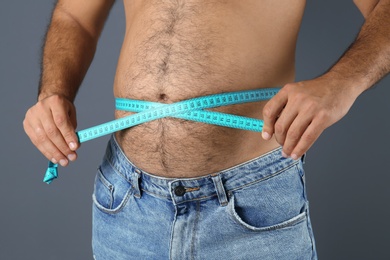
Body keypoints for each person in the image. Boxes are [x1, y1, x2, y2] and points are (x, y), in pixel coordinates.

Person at [23, 0, 389, 259]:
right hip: (126, 203)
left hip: (249, 206)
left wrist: (342, 82)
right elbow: (75, 15)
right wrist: (53, 91)